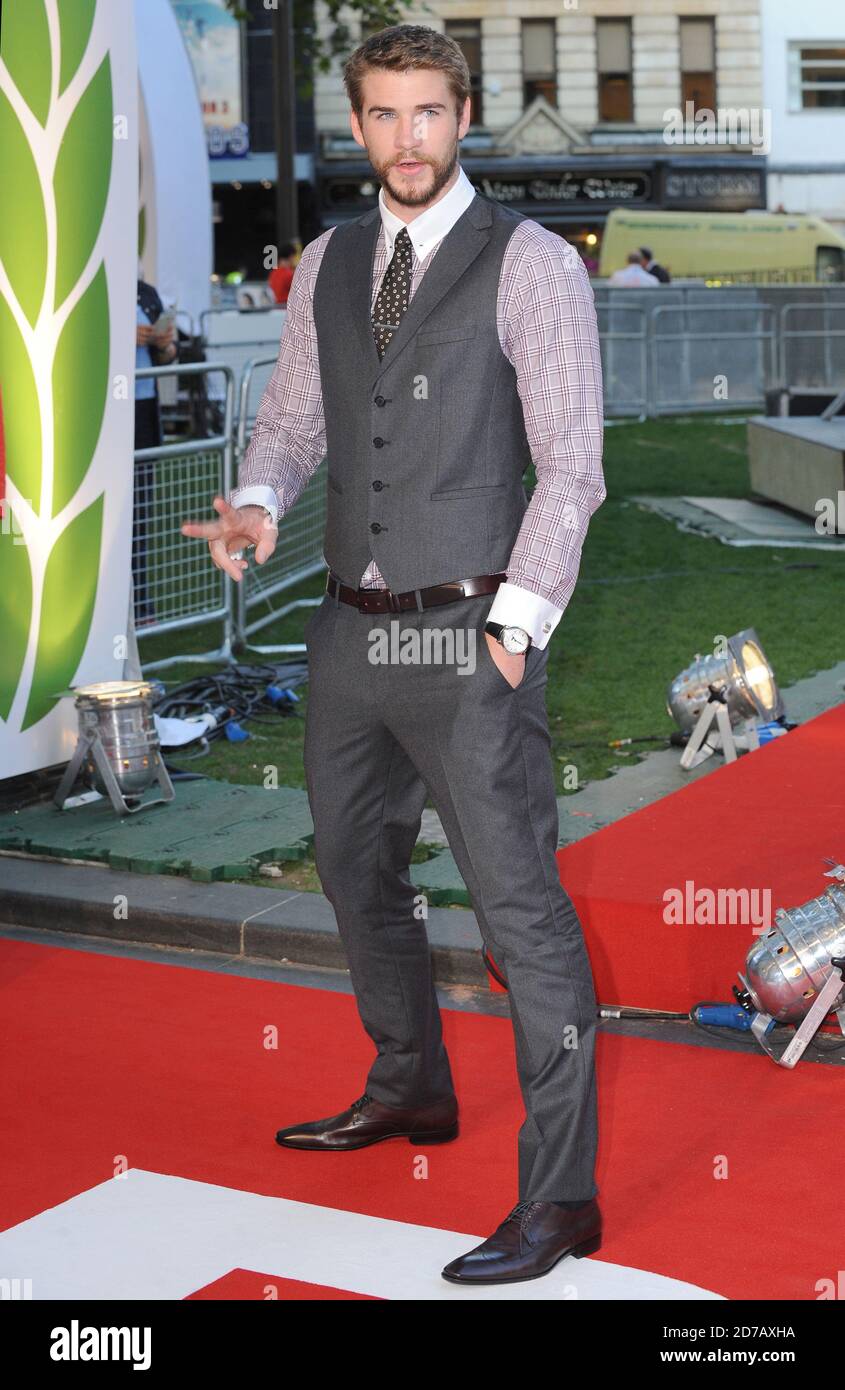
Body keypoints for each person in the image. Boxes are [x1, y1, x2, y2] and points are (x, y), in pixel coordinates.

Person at [181, 24, 606, 1287]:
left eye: (428, 113)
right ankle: (411, 1087)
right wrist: (261, 498)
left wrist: (516, 629)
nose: (406, 139)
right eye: (382, 115)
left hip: (472, 632)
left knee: (518, 910)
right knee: (353, 871)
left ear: (462, 115)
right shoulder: (326, 259)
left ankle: (561, 1196)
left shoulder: (529, 265)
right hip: (348, 630)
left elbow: (571, 462)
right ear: (355, 124)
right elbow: (297, 419)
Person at [135, 276, 178, 625]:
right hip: (104, 412)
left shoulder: (146, 293)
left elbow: (166, 357)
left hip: (144, 411)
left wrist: (164, 344)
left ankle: (140, 603)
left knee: (140, 510)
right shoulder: (95, 287)